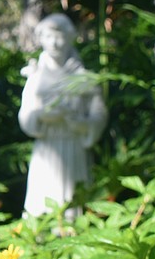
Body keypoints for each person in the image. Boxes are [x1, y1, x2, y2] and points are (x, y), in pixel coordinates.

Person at [19, 13, 107, 220]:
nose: (55, 43)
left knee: (74, 204)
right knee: (41, 204)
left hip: (74, 146)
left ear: (69, 38)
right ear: (41, 39)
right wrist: (41, 115)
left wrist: (83, 125)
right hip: (46, 147)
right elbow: (25, 114)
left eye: (60, 37)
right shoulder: (36, 78)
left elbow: (99, 112)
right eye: (49, 37)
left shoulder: (83, 77)